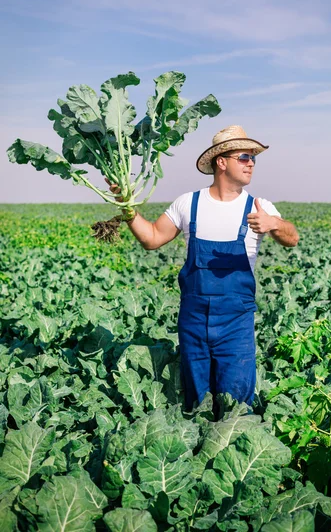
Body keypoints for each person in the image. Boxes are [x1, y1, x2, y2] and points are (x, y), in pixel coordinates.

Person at [108, 125, 299, 411]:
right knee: (195, 401)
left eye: (253, 158)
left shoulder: (259, 205)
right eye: (244, 157)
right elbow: (151, 238)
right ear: (221, 162)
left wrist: (274, 224)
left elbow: (292, 237)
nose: (251, 164)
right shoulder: (189, 203)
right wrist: (127, 208)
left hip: (236, 322)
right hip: (194, 320)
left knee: (236, 404)